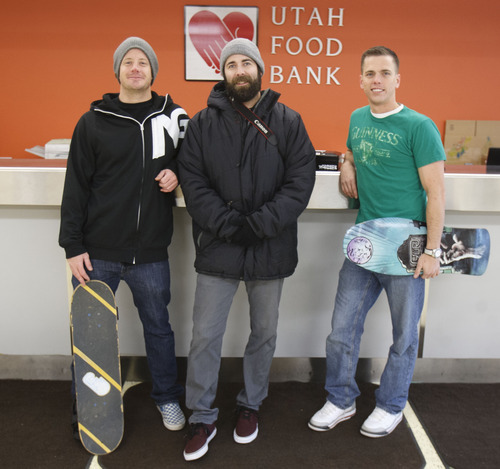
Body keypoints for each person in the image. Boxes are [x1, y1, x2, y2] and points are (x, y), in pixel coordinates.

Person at [177, 38, 316, 461]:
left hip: (268, 246)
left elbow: (300, 181)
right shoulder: (201, 124)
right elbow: (193, 180)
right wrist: (227, 225)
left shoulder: (289, 121)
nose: (239, 70)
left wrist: (258, 225)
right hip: (219, 245)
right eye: (231, 64)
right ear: (223, 73)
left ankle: (250, 405)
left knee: (265, 332)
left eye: (246, 63)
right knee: (204, 335)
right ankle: (202, 414)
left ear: (259, 70)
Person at [309, 46, 446, 438]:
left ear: (397, 79)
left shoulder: (419, 126)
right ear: (361, 79)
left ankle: (391, 405)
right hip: (364, 242)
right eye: (370, 73)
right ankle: (340, 399)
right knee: (341, 330)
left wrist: (433, 251)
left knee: (404, 335)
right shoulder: (356, 117)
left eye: (385, 73)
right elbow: (351, 150)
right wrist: (346, 163)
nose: (377, 80)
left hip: (409, 247)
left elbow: (436, 192)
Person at [59, 36, 189, 438]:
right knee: (90, 331)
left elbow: (196, 159)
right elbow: (76, 185)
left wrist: (178, 172)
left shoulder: (174, 117)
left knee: (159, 328)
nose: (136, 68)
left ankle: (167, 397)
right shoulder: (93, 121)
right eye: (128, 62)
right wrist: (73, 245)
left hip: (150, 250)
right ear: (117, 71)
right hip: (100, 251)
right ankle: (89, 402)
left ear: (153, 71)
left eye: (143, 62)